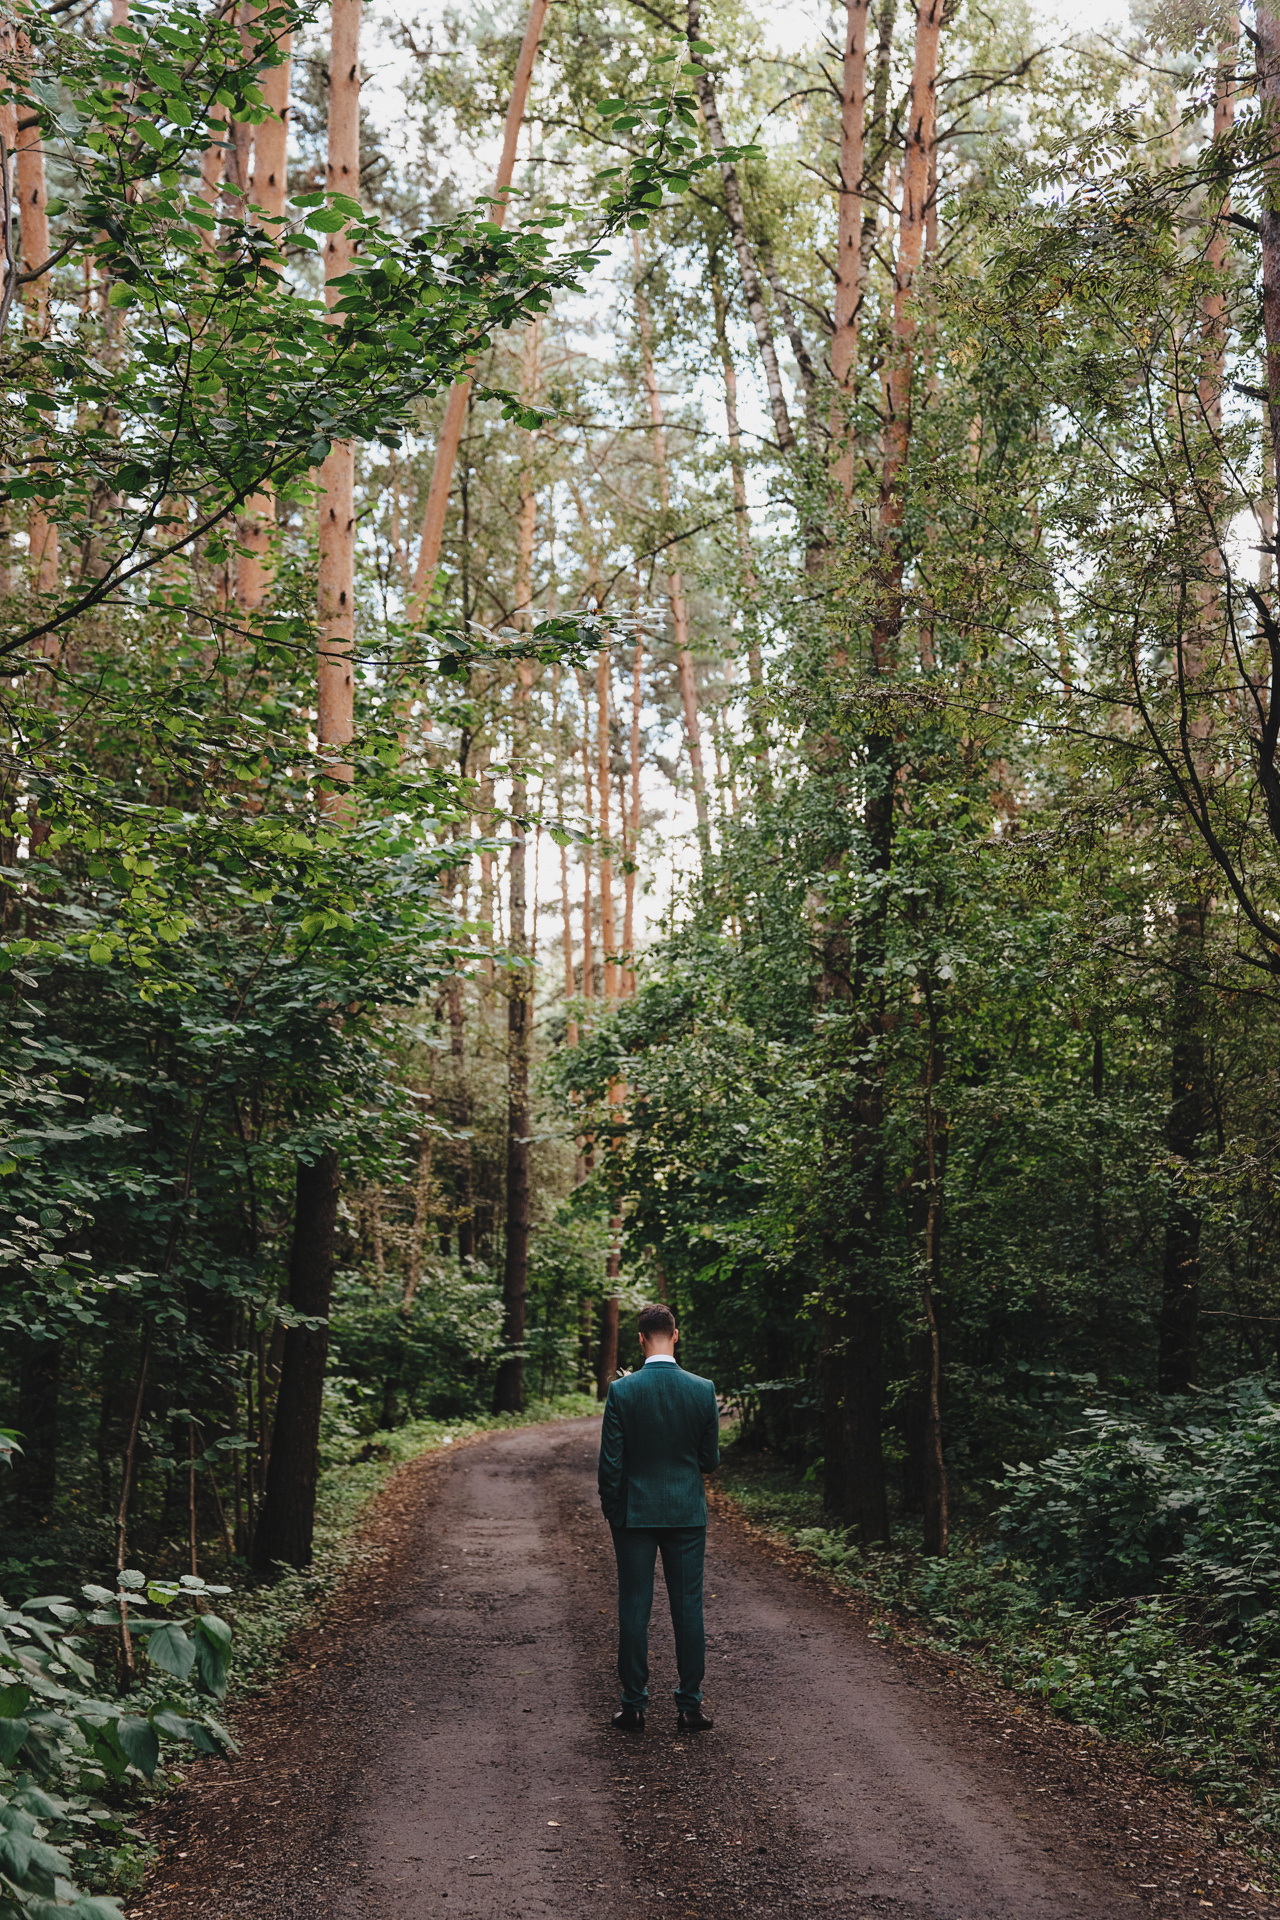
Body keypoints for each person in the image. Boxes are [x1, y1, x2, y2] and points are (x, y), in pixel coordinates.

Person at [596, 1302, 720, 1733]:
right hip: (686, 1513)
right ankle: (689, 1707)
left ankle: (633, 1706)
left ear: (640, 1339)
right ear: (676, 1335)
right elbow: (710, 1461)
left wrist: (614, 1511)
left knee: (634, 1605)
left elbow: (610, 1464)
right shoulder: (702, 1389)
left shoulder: (623, 1391)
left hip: (634, 1515)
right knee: (688, 1607)